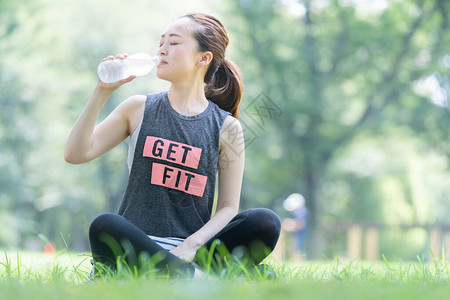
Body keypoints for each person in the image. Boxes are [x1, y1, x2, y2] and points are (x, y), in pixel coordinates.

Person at [64, 13, 281, 278]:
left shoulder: (227, 128)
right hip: (136, 245)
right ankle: (203, 280)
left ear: (203, 58)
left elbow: (227, 208)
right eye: (161, 43)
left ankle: (171, 274)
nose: (162, 50)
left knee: (265, 222)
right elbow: (75, 154)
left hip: (192, 251)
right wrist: (101, 91)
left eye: (174, 43)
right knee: (105, 225)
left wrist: (189, 247)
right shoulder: (138, 108)